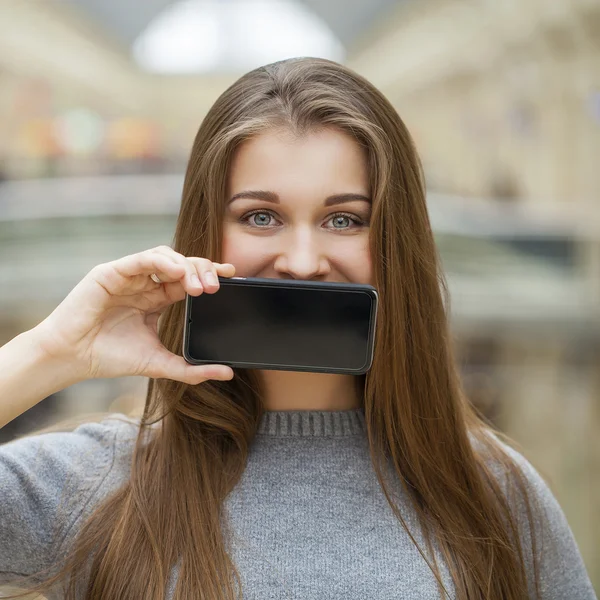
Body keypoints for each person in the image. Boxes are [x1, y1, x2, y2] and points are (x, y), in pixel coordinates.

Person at [0, 57, 596, 600]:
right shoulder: (97, 483)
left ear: (393, 243)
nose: (304, 260)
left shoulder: (494, 492)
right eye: (262, 217)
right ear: (205, 232)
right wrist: (53, 351)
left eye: (344, 219)